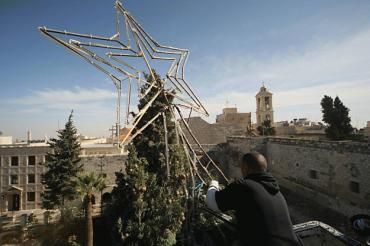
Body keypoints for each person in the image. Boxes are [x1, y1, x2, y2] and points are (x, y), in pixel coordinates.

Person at [206, 152, 299, 246]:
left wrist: (213, 183)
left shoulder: (243, 186)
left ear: (245, 168)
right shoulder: (277, 191)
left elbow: (212, 203)